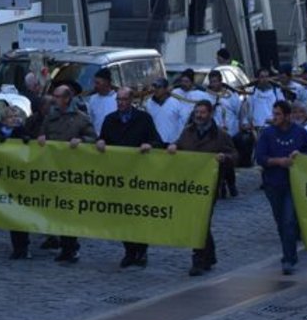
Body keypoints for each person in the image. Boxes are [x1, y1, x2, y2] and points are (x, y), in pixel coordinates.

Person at [96, 88, 163, 269]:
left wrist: (149, 145)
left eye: (124, 100)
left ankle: (141, 250)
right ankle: (129, 250)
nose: (121, 103)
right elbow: (102, 139)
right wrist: (100, 142)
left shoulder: (144, 119)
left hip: (138, 175)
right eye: (118, 100)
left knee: (138, 214)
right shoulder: (110, 120)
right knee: (122, 215)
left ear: (131, 100)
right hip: (117, 176)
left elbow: (157, 140)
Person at [168, 100, 236, 276]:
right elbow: (180, 144)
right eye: (197, 112)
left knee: (200, 220)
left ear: (210, 114)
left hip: (209, 185)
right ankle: (209, 256)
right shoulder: (188, 132)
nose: (199, 116)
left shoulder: (220, 135)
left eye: (203, 113)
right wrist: (174, 146)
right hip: (190, 184)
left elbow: (235, 156)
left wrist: (224, 158)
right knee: (198, 221)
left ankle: (198, 259)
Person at [36, 84, 97, 264]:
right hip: (54, 171)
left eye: (57, 96)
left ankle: (71, 247)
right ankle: (64, 245)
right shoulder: (50, 117)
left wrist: (82, 141)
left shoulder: (81, 119)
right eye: (53, 95)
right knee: (57, 212)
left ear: (67, 98)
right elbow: (43, 134)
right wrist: (41, 139)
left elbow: (93, 138)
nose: (54, 99)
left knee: (69, 212)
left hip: (73, 172)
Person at [254, 99, 307, 275]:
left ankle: (288, 258)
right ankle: (288, 252)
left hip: (293, 184)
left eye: (278, 114)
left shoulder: (300, 132)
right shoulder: (267, 133)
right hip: (273, 183)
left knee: (289, 221)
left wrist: (299, 155)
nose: (275, 117)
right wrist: (279, 161)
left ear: (287, 116)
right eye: (274, 114)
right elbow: (260, 158)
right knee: (281, 221)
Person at [0, 107, 37, 261]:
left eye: (16, 116)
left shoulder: (23, 132)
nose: (14, 119)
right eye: (11, 116)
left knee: (21, 214)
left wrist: (27, 139)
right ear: (4, 119)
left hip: (21, 179)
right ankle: (16, 248)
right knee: (12, 216)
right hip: (6, 180)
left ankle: (24, 247)